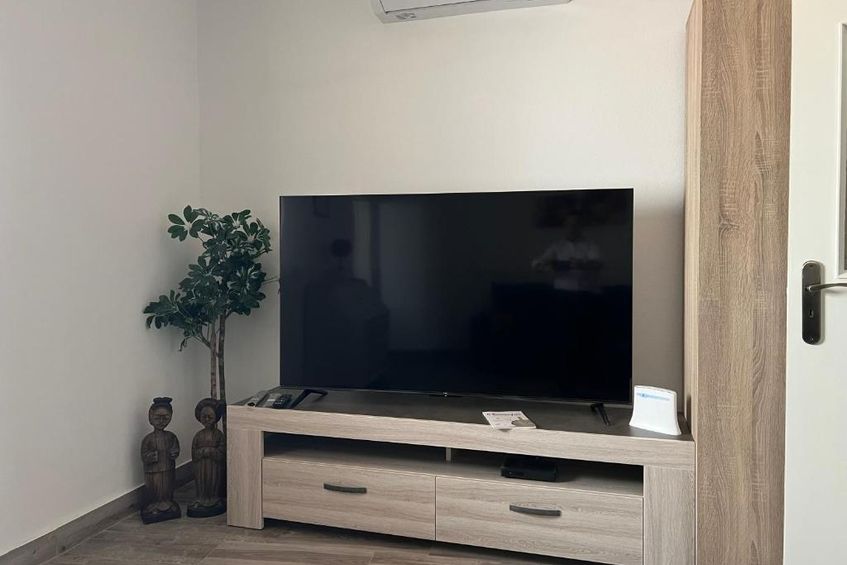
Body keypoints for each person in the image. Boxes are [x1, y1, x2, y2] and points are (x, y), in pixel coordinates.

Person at [532, 212, 602, 291]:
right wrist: (547, 267)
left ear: (581, 227)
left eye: (575, 224)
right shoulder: (556, 246)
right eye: (569, 224)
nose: (572, 228)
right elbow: (537, 264)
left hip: (586, 292)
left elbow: (598, 264)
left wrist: (581, 265)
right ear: (565, 226)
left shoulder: (591, 245)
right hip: (562, 293)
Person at [140, 397, 181, 523]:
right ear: (151, 417)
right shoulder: (148, 439)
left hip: (168, 468)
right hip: (153, 471)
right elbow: (144, 455)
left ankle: (167, 502)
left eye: (165, 418)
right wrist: (151, 457)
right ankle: (155, 503)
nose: (161, 421)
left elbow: (176, 449)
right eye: (158, 418)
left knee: (168, 485)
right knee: (155, 486)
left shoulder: (171, 437)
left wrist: (174, 453)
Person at [188, 398, 226, 517]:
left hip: (214, 466)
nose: (207, 419)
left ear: (215, 418)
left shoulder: (218, 435)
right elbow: (194, 452)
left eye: (210, 417)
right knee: (201, 481)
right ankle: (201, 498)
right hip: (200, 466)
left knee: (214, 480)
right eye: (204, 417)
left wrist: (211, 452)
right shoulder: (198, 436)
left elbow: (222, 451)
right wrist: (201, 453)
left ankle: (214, 498)